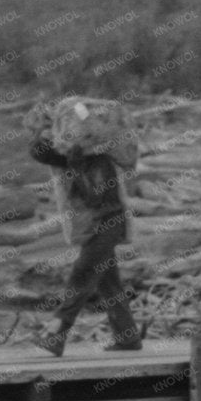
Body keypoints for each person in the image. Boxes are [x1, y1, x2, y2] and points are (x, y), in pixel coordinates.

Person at [28, 112, 142, 356]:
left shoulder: (98, 162)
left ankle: (56, 334)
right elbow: (40, 153)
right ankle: (128, 337)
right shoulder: (70, 162)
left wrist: (78, 164)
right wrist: (41, 131)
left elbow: (97, 197)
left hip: (107, 225)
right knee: (109, 284)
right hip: (94, 227)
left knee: (82, 276)